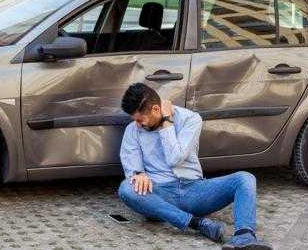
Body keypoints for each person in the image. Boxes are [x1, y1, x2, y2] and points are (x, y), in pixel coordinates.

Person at [117, 83, 272, 250]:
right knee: (126, 188)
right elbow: (131, 165)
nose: (138, 125)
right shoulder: (132, 130)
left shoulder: (190, 119)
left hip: (194, 190)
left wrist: (167, 123)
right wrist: (138, 173)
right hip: (160, 195)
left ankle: (244, 237)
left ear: (156, 109)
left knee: (245, 178)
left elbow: (175, 158)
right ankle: (196, 223)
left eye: (140, 120)